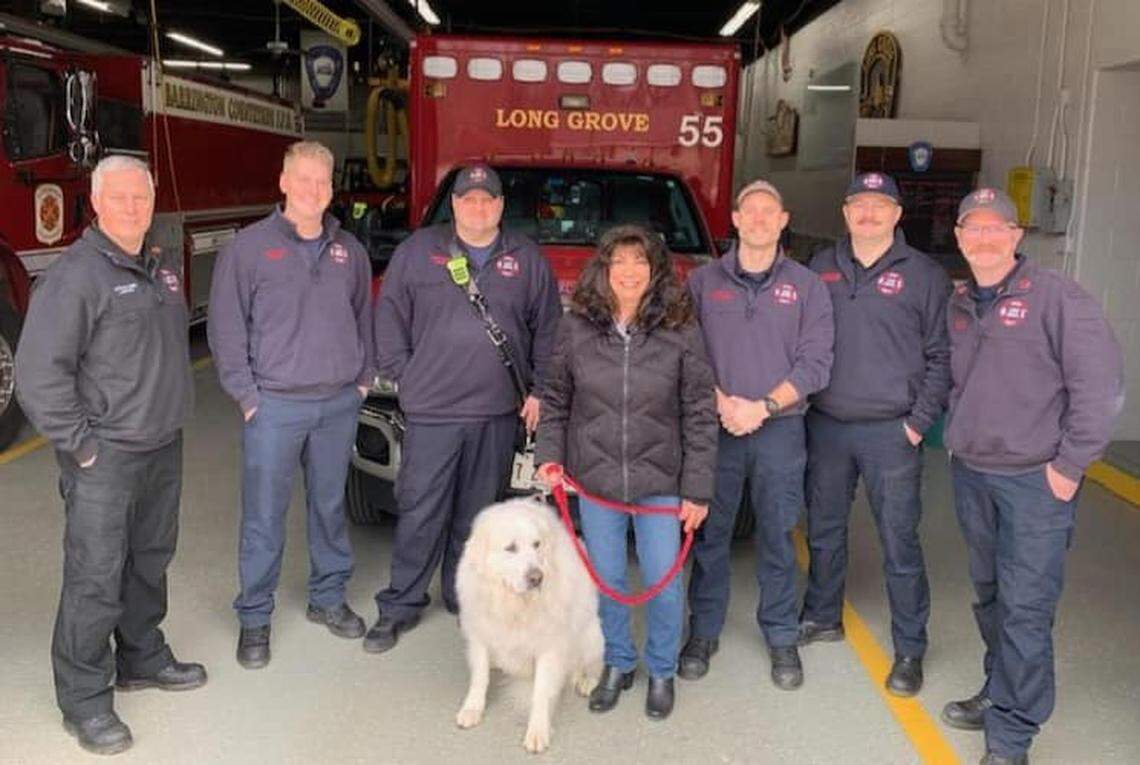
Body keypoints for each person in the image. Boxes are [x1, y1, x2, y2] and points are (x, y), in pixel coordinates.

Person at [15, 155, 204, 755]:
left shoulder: (158, 265)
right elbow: (38, 373)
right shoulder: (76, 277)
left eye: (141, 197)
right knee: (95, 578)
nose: (132, 206)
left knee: (149, 561)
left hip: (160, 447)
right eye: (119, 197)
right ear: (96, 203)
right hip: (106, 457)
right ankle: (85, 700)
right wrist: (82, 447)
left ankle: (142, 657)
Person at [941, 188, 1124, 765]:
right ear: (960, 237)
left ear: (1017, 237)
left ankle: (1013, 734)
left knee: (1025, 606)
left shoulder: (1059, 299)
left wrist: (1068, 471)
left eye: (998, 228)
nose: (986, 237)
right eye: (975, 227)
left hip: (1033, 484)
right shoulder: (962, 301)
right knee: (992, 596)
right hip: (974, 475)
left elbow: (1100, 392)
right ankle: (1000, 692)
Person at [369, 163, 561, 652]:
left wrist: (539, 390)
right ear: (454, 204)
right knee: (420, 508)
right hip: (432, 410)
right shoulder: (418, 252)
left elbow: (549, 330)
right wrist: (405, 375)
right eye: (468, 198)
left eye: (488, 199)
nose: (478, 206)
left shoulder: (526, 257)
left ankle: (464, 597)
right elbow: (388, 315)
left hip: (497, 412)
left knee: (476, 515)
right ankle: (401, 604)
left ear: (500, 205)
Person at [535, 223, 717, 720]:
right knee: (606, 577)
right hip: (595, 480)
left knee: (662, 578)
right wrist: (548, 457)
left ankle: (661, 668)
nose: (630, 271)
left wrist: (698, 489)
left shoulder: (680, 328)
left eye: (640, 261)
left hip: (661, 480)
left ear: (656, 270)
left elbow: (700, 410)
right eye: (620, 261)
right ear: (604, 269)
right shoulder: (576, 326)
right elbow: (555, 400)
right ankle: (619, 661)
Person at [208, 140, 376, 669]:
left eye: (322, 182)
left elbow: (363, 320)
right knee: (264, 516)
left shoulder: (349, 250)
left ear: (331, 188)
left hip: (337, 405)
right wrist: (247, 396)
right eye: (303, 179)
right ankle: (254, 618)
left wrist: (363, 381)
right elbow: (225, 328)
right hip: (274, 407)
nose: (312, 190)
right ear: (283, 183)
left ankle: (328, 599)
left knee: (329, 508)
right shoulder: (249, 249)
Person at [799, 172, 951, 697]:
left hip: (892, 431)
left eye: (879, 205)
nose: (868, 213)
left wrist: (917, 425)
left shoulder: (926, 275)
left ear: (896, 214)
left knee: (899, 542)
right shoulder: (820, 267)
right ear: (845, 213)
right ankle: (822, 615)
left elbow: (941, 358)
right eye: (859, 205)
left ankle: (910, 647)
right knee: (823, 528)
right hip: (828, 426)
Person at [681, 179, 834, 691]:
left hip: (780, 431)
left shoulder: (808, 287)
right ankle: (702, 632)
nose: (762, 219)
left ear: (784, 221)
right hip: (716, 427)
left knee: (777, 535)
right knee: (710, 536)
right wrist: (723, 402)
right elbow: (688, 352)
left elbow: (816, 363)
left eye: (771, 211)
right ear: (737, 219)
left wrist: (763, 407)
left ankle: (781, 635)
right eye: (752, 211)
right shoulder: (703, 282)